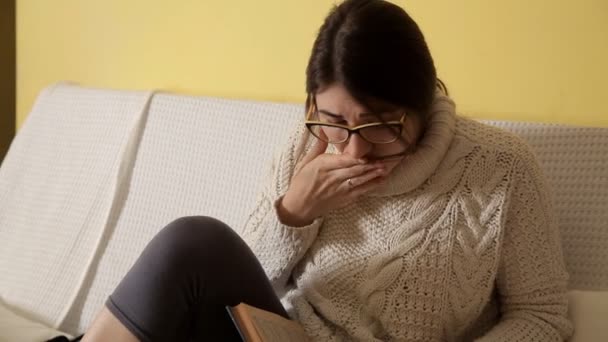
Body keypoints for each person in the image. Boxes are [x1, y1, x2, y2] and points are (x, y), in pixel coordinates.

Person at [80, 0, 573, 341]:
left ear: (421, 102)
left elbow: (542, 316)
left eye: (378, 125)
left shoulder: (501, 167)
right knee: (193, 242)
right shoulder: (307, 145)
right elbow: (251, 284)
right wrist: (293, 212)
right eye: (335, 122)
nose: (354, 150)